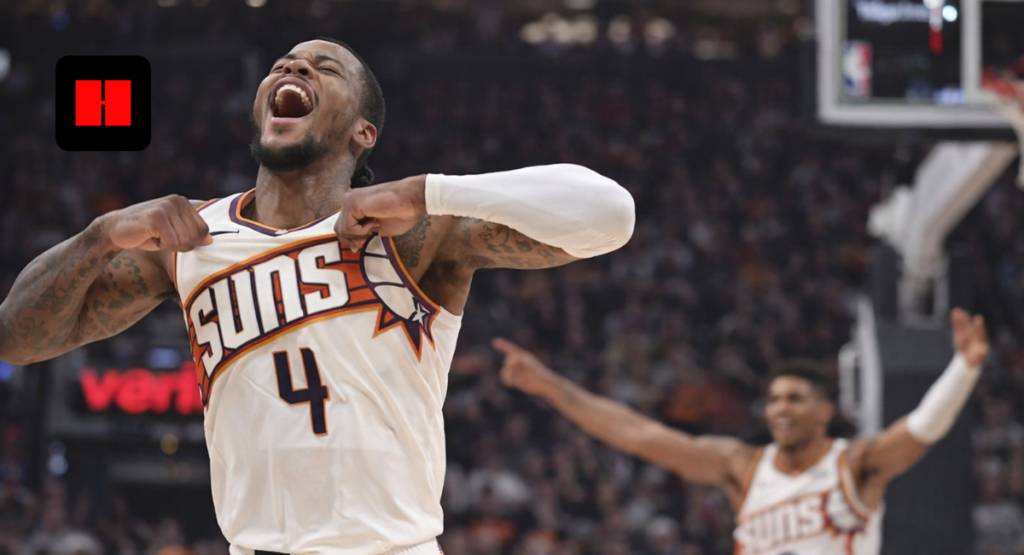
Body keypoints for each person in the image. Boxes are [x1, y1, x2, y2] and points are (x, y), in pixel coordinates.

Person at [0, 38, 635, 555]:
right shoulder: (188, 238)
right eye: (281, 64)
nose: (293, 66)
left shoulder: (415, 231)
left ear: (364, 132)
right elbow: (16, 339)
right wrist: (99, 235)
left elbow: (612, 214)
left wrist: (428, 192)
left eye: (323, 67)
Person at [494, 308, 989, 555]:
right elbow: (637, 435)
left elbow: (923, 429)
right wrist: (551, 386)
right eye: (774, 399)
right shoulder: (741, 466)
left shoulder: (855, 464)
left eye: (795, 399)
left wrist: (964, 368)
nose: (780, 409)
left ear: (824, 411)